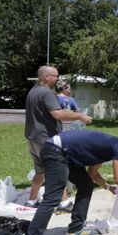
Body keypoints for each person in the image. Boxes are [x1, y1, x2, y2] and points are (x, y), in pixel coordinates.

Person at [24, 66, 92, 208]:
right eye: (55, 76)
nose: (58, 79)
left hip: (33, 137)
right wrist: (79, 115)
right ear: (46, 77)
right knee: (58, 170)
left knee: (40, 170)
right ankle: (64, 202)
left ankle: (31, 201)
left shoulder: (33, 91)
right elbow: (58, 114)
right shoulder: (48, 93)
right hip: (46, 138)